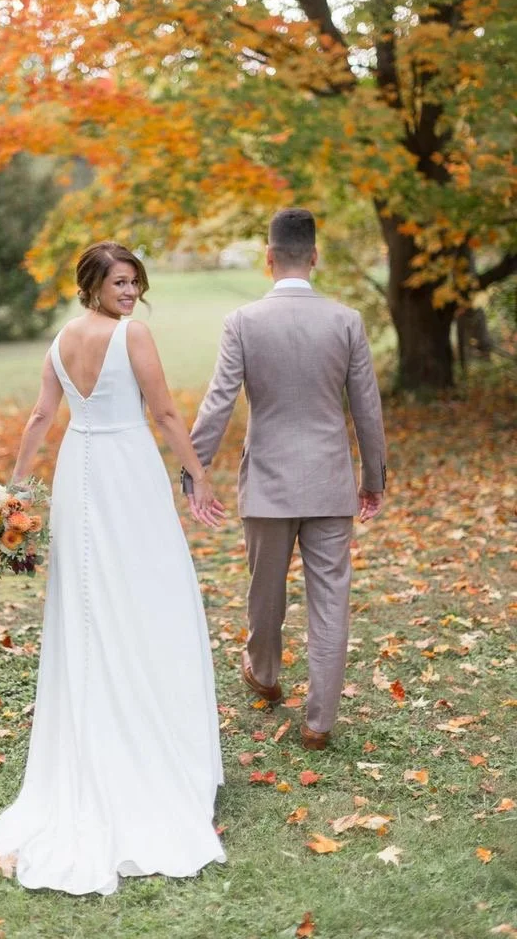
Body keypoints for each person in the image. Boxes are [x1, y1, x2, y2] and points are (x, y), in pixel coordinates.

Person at [0, 241, 226, 895]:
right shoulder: (132, 336)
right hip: (125, 469)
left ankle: (109, 736)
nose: (131, 292)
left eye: (135, 281)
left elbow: (41, 417)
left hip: (80, 469)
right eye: (119, 281)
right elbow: (165, 412)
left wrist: (14, 488)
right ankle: (145, 750)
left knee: (97, 604)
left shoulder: (61, 339)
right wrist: (197, 476)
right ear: (94, 283)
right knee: (144, 600)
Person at [183, 208, 386, 751]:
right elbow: (367, 408)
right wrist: (374, 478)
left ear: (269, 258)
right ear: (314, 257)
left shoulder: (243, 322)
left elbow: (218, 403)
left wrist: (194, 471)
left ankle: (266, 675)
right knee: (330, 601)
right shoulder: (346, 320)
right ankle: (319, 723)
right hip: (329, 483)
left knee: (264, 594)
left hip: (269, 485)